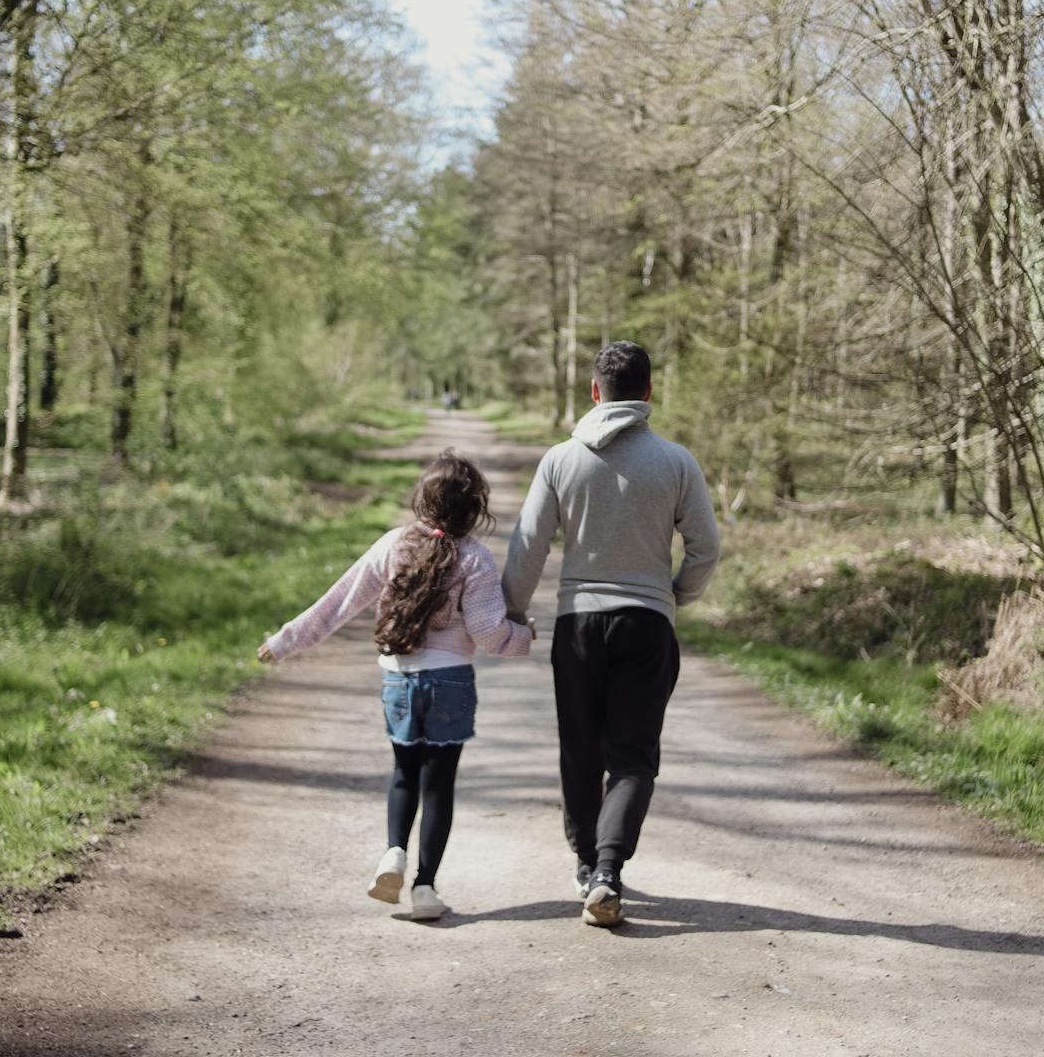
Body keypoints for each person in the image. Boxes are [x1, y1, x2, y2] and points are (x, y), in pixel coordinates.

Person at [258, 450, 534, 921]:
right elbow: (490, 633)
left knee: (404, 773)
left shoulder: (393, 546)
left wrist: (285, 641)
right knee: (439, 784)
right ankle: (425, 888)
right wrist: (523, 635)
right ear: (475, 510)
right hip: (450, 681)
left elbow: (337, 603)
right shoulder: (476, 559)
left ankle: (392, 853)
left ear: (421, 502)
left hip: (399, 679)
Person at [502, 341, 720, 927]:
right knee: (632, 756)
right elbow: (706, 548)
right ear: (648, 393)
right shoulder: (677, 462)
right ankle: (607, 870)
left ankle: (584, 864)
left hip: (577, 624)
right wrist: (674, 596)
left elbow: (528, 546)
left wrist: (512, 613)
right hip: (646, 624)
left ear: (594, 391)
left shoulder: (560, 460)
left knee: (581, 746)